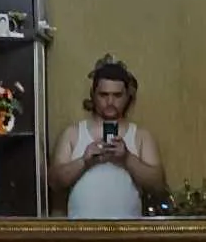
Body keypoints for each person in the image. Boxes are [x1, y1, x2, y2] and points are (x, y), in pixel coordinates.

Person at [49, 57, 167, 220]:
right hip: (80, 231)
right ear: (93, 95)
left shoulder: (141, 136)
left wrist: (127, 159)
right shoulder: (72, 134)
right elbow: (54, 182)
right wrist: (84, 162)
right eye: (103, 95)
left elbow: (158, 185)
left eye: (117, 95)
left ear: (127, 96)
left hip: (128, 231)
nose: (110, 101)